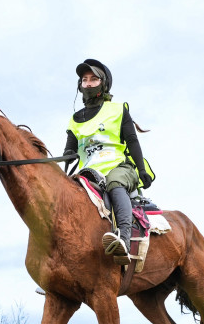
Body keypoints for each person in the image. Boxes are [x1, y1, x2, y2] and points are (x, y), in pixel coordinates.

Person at [64, 58, 155, 258]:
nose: (88, 83)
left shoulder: (118, 110)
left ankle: (123, 238)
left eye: (93, 79)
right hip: (88, 174)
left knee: (114, 182)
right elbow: (69, 153)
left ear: (102, 83)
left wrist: (141, 171)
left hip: (118, 168)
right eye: (84, 80)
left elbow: (132, 141)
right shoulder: (74, 119)